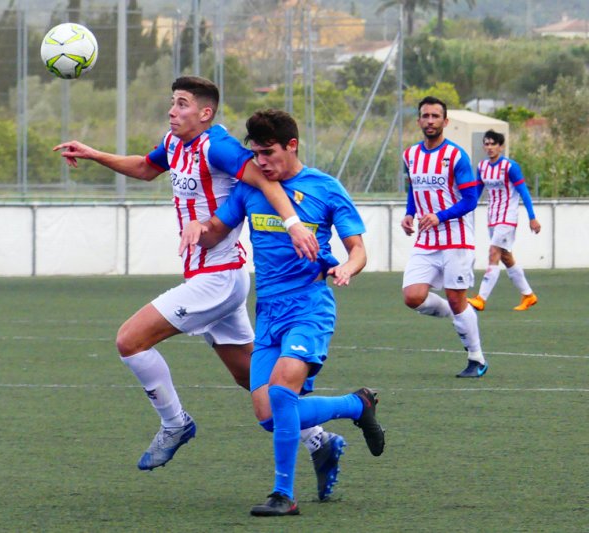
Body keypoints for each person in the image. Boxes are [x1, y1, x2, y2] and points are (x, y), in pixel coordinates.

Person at [52, 77, 340, 494]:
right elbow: (146, 168)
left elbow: (264, 181)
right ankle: (321, 441)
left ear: (205, 113)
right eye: (172, 102)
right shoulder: (173, 145)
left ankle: (175, 424)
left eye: (182, 104)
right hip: (208, 277)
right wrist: (93, 154)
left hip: (219, 278)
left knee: (130, 340)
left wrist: (294, 224)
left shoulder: (217, 146)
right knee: (253, 383)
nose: (172, 111)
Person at [180, 109, 385, 517]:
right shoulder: (249, 189)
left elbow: (358, 250)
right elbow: (217, 229)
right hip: (269, 311)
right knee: (269, 415)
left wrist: (346, 266)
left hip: (309, 306)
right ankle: (356, 405)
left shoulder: (325, 188)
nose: (261, 162)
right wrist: (195, 226)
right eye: (255, 154)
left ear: (292, 145)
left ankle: (283, 495)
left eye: (269, 153)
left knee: (280, 392)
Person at [401, 96, 486, 378]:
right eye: (425, 116)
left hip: (456, 238)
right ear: (419, 121)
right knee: (412, 297)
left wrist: (439, 216)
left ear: (445, 122)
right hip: (426, 240)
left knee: (456, 297)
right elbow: (414, 190)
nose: (430, 121)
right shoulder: (410, 155)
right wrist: (409, 214)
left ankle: (477, 358)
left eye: (435, 116)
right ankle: (458, 315)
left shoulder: (457, 156)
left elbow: (471, 200)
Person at [467, 130, 541, 312]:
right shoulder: (482, 166)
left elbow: (524, 192)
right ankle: (528, 295)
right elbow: (477, 192)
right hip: (492, 217)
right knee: (506, 257)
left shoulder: (510, 167)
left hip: (508, 217)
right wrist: (465, 210)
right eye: (487, 144)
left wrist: (532, 217)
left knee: (493, 252)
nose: (490, 147)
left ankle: (481, 298)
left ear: (501, 146)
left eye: (493, 144)